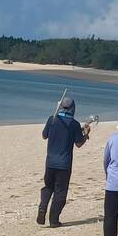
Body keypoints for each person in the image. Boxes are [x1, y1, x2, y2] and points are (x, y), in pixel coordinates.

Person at [37, 97, 88, 227]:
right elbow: (79, 143)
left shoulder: (52, 119)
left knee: (48, 187)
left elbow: (44, 136)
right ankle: (54, 220)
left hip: (50, 162)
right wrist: (86, 135)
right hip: (64, 164)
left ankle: (43, 206)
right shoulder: (73, 124)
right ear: (73, 108)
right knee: (60, 192)